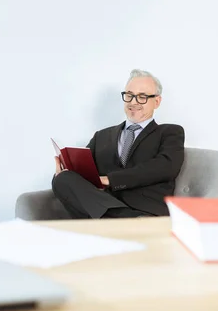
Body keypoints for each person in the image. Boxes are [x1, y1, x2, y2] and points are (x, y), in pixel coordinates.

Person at [51, 69, 185, 219]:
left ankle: (116, 222)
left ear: (157, 101)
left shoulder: (170, 132)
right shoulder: (101, 136)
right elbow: (82, 173)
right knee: (63, 179)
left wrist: (110, 179)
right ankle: (119, 220)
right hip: (105, 206)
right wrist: (63, 172)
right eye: (129, 95)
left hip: (146, 210)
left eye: (142, 97)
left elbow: (166, 167)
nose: (133, 102)